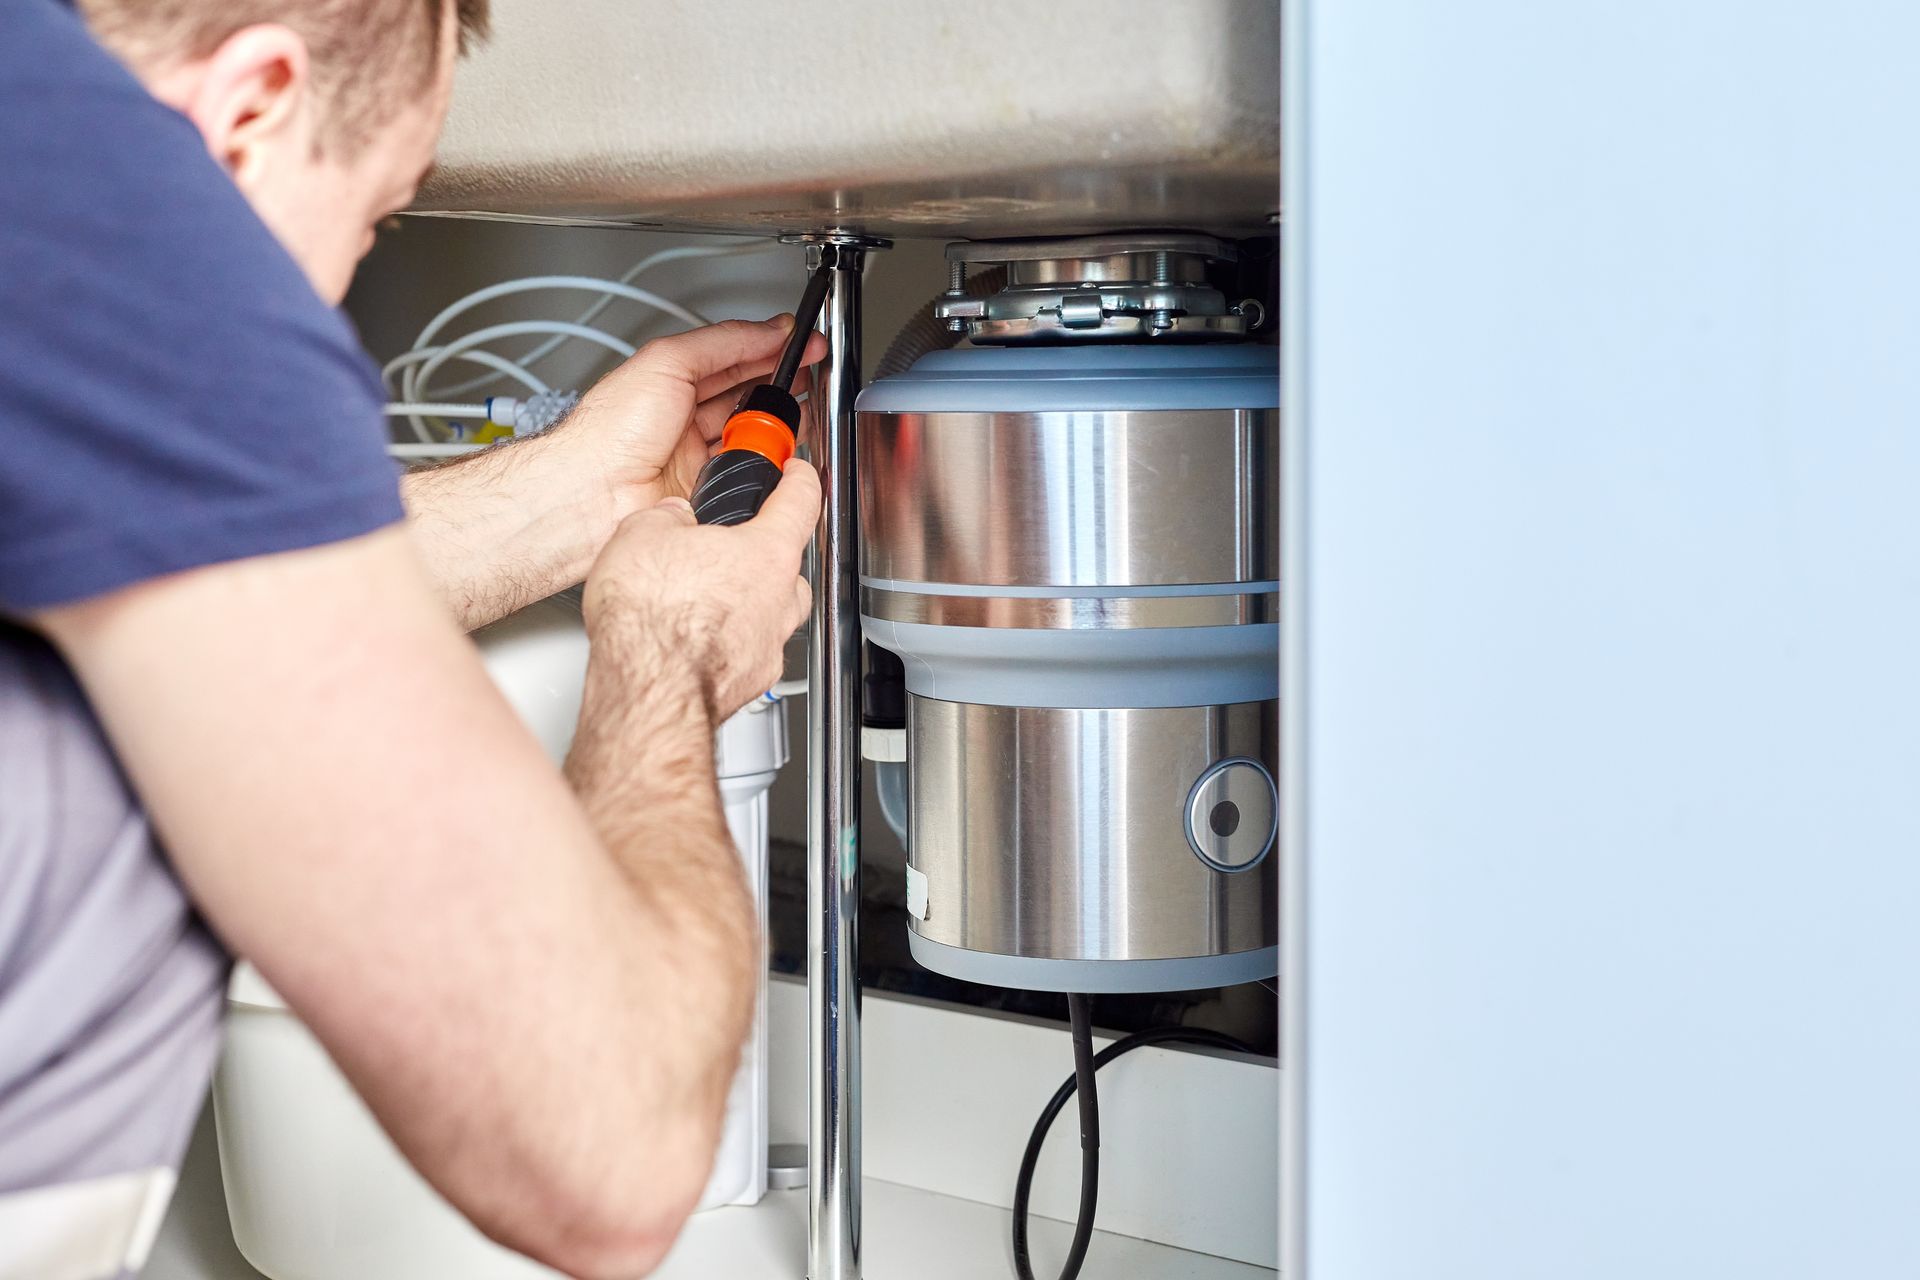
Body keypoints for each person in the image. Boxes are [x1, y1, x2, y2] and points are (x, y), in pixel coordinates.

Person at [0, 1, 824, 1277]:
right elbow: (612, 1151)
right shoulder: (114, 222)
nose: (335, 289)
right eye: (376, 218)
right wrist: (673, 653)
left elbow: (159, 559)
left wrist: (569, 502)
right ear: (254, 104)